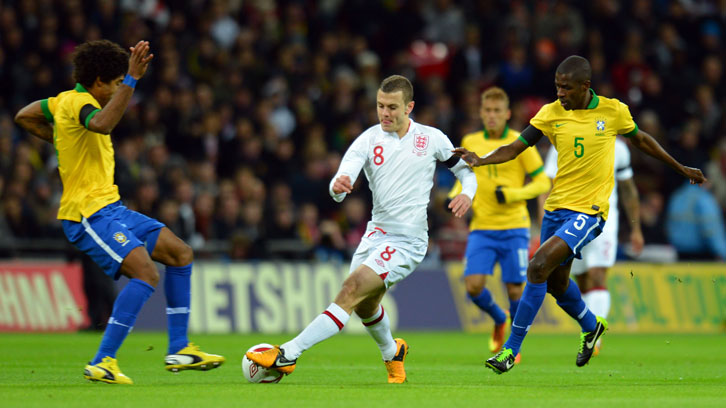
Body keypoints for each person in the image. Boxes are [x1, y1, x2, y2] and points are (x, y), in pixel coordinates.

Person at [454, 55, 705, 374]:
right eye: (557, 87)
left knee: (538, 266)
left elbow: (641, 140)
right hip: (556, 209)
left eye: (566, 88)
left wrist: (681, 167)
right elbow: (516, 148)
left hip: (590, 211)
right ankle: (591, 325)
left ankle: (509, 350)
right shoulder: (550, 113)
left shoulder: (613, 110)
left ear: (585, 87)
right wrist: (481, 160)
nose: (560, 93)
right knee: (558, 284)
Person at [14, 40, 224, 384]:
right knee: (146, 275)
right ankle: (103, 361)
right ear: (99, 82)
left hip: (112, 207)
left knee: (180, 253)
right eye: (113, 84)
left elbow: (24, 115)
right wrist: (132, 79)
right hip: (88, 213)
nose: (116, 91)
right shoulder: (81, 101)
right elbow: (101, 125)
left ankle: (180, 348)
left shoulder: (60, 103)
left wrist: (59, 139)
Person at [246, 75, 477, 383]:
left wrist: (466, 192)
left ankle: (288, 353)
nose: (385, 113)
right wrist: (338, 187)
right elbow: (341, 180)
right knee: (367, 306)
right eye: (380, 105)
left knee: (350, 289)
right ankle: (392, 351)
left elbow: (465, 172)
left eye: (392, 107)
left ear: (409, 107)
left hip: (408, 241)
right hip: (376, 235)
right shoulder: (368, 139)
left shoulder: (431, 138)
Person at [448, 87, 550, 363]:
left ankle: (511, 347)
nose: (492, 116)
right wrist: (456, 194)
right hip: (482, 227)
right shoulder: (470, 140)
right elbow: (463, 176)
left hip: (515, 228)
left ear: (506, 114)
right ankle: (498, 317)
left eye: (497, 111)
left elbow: (542, 182)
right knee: (473, 286)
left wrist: (514, 194)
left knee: (515, 288)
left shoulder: (520, 142)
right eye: (487, 111)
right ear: (481, 113)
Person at [543, 137, 644, 354]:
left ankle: (594, 341)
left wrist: (636, 228)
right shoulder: (562, 139)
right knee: (582, 280)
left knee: (598, 274)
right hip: (568, 218)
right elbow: (547, 184)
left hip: (604, 218)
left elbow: (627, 189)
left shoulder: (617, 147)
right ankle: (589, 328)